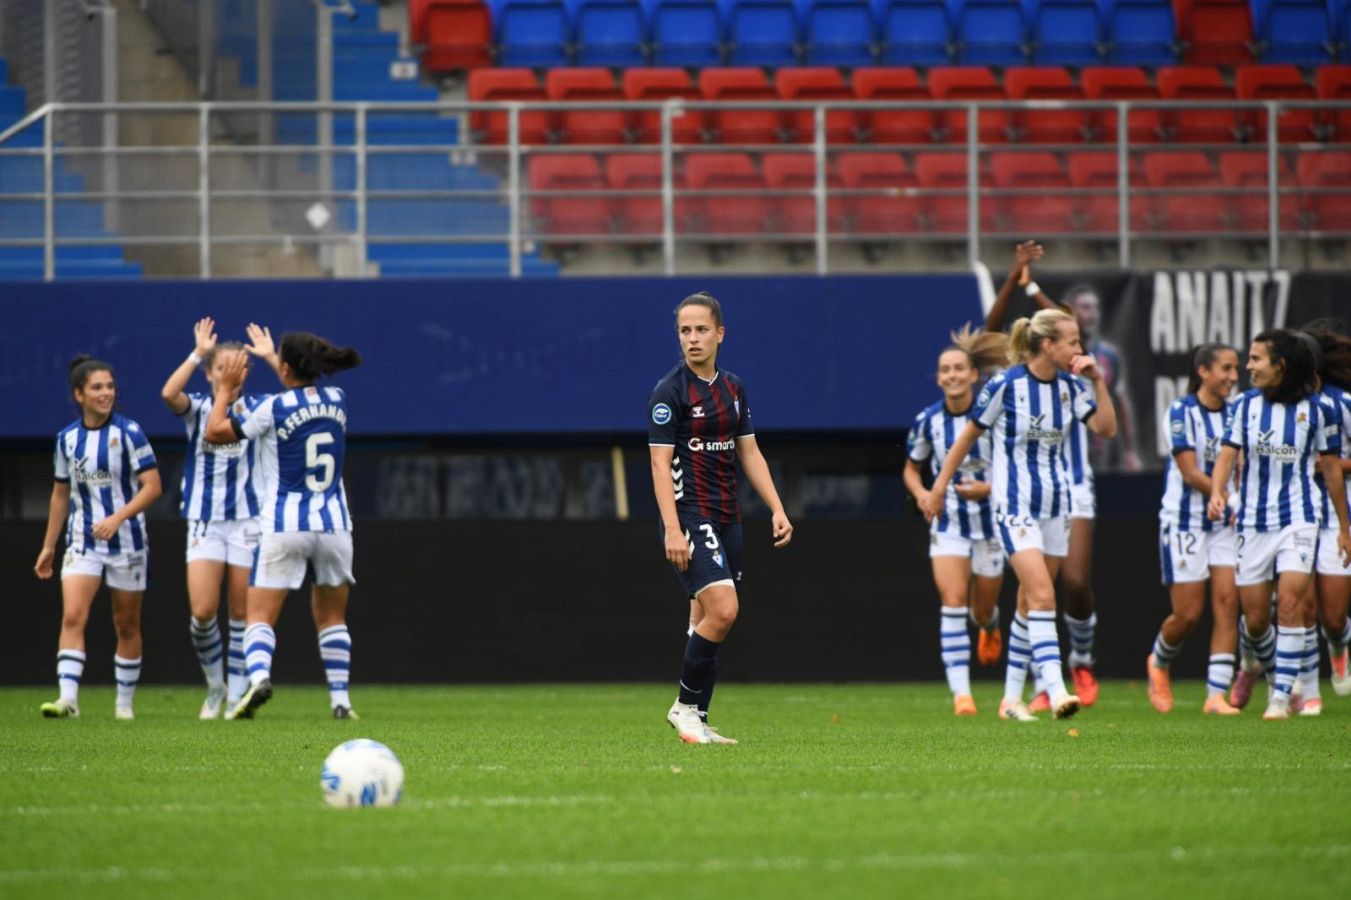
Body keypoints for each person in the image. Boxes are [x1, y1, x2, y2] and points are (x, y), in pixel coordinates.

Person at [922, 308, 1118, 721]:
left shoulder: (1070, 386)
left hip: (1056, 506)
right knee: (1044, 593)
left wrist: (1097, 381)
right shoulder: (1006, 386)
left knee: (1030, 602)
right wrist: (938, 488)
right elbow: (966, 438)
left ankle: (1011, 700)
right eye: (1073, 342)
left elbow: (1106, 428)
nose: (1079, 349)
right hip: (1014, 506)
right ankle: (1056, 687)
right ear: (1049, 344)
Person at [649, 292, 793, 745]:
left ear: (719, 334)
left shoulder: (733, 388)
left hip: (728, 516)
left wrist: (776, 506)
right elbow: (658, 464)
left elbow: (748, 451)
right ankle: (684, 707)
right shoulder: (669, 392)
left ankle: (699, 717)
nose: (692, 339)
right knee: (725, 610)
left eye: (701, 330)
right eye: (685, 331)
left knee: (704, 619)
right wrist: (672, 527)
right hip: (690, 514)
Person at [205, 329, 362, 720]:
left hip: (285, 523)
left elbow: (214, 432)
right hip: (335, 526)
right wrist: (278, 358)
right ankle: (341, 701)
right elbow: (302, 390)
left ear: (286, 367)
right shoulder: (338, 400)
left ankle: (258, 678)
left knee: (258, 617)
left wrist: (225, 389)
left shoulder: (271, 408)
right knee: (332, 618)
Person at [1207, 330, 1351, 720]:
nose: (1248, 367)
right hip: (1252, 522)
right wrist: (1217, 491)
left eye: (1256, 359)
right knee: (1255, 621)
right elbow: (1225, 455)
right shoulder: (1243, 406)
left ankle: (1281, 696)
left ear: (1280, 366)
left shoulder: (1321, 410)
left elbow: (1333, 470)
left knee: (1289, 604)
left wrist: (1343, 527)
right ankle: (1262, 665)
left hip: (1300, 518)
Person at [34, 356, 163, 719]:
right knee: (73, 614)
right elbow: (60, 494)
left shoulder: (130, 433)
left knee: (126, 623)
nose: (106, 393)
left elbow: (153, 487)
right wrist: (48, 546)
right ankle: (68, 699)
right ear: (79, 394)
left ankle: (124, 705)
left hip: (128, 542)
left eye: (109, 386)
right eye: (97, 387)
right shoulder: (66, 440)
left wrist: (117, 517)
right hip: (82, 541)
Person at [160, 317, 270, 719]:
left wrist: (270, 358)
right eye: (224, 368)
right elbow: (169, 393)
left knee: (241, 612)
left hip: (248, 521)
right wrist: (197, 352)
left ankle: (239, 696)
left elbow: (294, 398)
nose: (233, 376)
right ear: (209, 372)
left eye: (240, 370)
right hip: (205, 521)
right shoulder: (200, 409)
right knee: (204, 611)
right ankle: (215, 686)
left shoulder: (256, 410)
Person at [904, 326, 1009, 716]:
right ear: (938, 377)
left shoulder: (992, 418)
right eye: (944, 370)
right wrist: (922, 494)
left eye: (958, 369)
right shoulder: (928, 420)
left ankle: (989, 625)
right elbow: (911, 469)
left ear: (972, 375)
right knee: (951, 600)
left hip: (992, 525)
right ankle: (962, 695)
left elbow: (1010, 463)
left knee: (981, 609)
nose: (951, 375)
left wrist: (988, 488)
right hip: (948, 523)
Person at [1145, 344, 1243, 715]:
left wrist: (1235, 499)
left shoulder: (1237, 414)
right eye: (1226, 369)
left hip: (1224, 523)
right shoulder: (1181, 411)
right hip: (1185, 520)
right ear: (1203, 372)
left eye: (1236, 369)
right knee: (1187, 614)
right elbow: (1188, 472)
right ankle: (1158, 660)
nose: (1234, 377)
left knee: (1227, 602)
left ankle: (1215, 695)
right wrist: (1222, 494)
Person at [1307, 328, 1351, 699]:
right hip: (1294, 514)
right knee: (1298, 604)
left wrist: (1336, 465)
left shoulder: (1343, 402)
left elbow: (1339, 461)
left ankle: (1339, 646)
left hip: (1339, 515)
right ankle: (1304, 691)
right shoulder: (1277, 405)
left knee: (1333, 615)